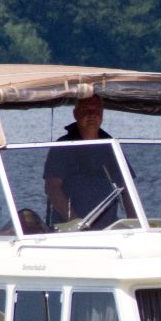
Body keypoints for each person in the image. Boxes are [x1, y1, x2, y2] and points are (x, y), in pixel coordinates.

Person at [42, 97, 120, 226]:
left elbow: (126, 186)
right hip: (70, 228)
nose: (92, 115)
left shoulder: (110, 145)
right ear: (75, 114)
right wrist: (76, 223)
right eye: (86, 110)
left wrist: (134, 219)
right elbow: (52, 187)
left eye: (97, 110)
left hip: (108, 228)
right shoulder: (63, 146)